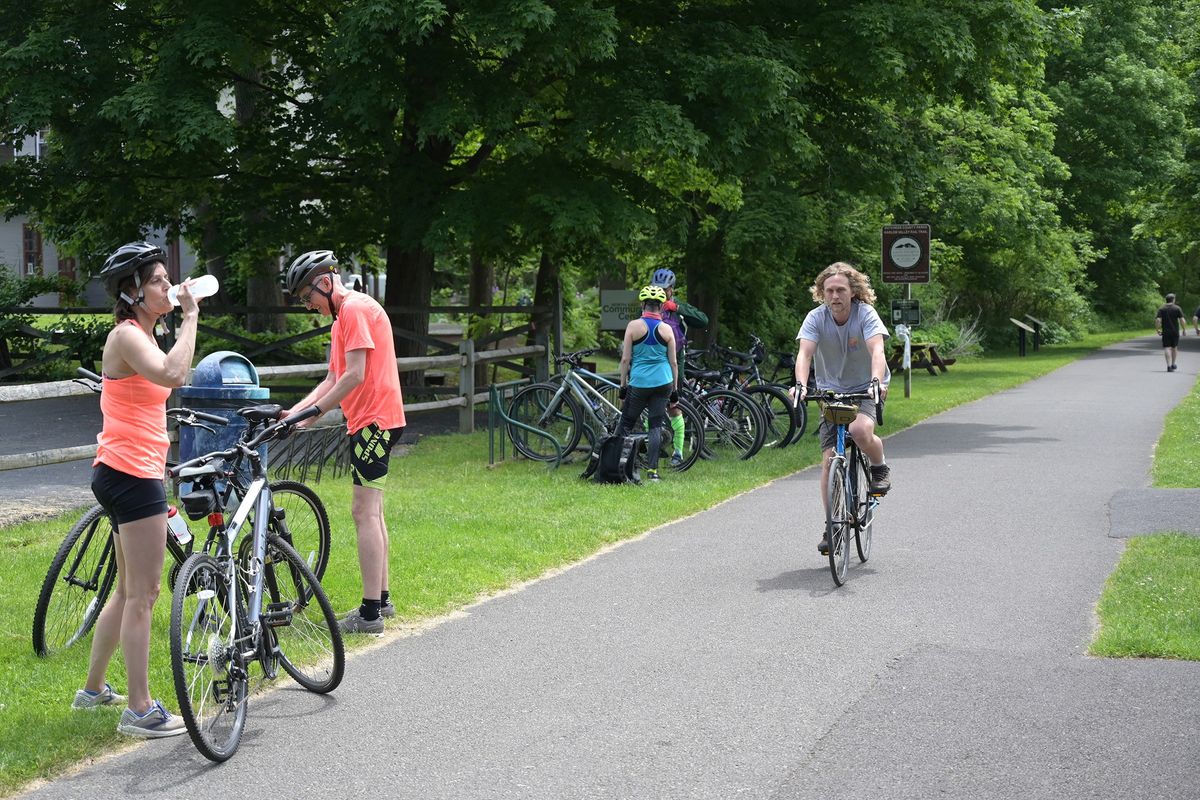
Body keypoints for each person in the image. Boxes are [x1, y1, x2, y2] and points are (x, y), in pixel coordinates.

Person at [77, 241, 202, 738]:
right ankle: (140, 709)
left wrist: (179, 318)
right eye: (156, 280)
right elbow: (175, 373)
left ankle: (92, 691)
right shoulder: (127, 336)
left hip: (122, 470)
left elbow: (165, 374)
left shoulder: (143, 335)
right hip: (132, 476)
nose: (168, 285)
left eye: (167, 277)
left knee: (128, 590)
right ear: (132, 291)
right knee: (145, 595)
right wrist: (190, 315)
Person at [283, 250, 406, 635]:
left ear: (325, 282)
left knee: (363, 512)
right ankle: (381, 601)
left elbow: (354, 376)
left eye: (308, 297)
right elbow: (333, 377)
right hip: (372, 420)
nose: (309, 306)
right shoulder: (342, 318)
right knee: (373, 512)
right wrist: (295, 414)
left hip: (374, 421)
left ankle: (369, 615)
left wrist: (313, 413)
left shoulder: (353, 309)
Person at [791, 262, 892, 556]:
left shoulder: (865, 314)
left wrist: (876, 381)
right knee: (828, 460)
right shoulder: (815, 318)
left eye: (840, 290)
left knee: (859, 430)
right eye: (829, 291)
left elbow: (877, 350)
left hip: (866, 387)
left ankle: (879, 466)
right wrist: (800, 385)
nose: (835, 296)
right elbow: (804, 354)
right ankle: (833, 524)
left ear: (853, 291)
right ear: (822, 293)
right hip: (831, 392)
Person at [616, 285, 679, 482]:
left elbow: (625, 359)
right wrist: (675, 390)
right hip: (663, 382)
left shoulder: (633, 326)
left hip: (639, 383)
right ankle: (653, 472)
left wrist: (623, 386)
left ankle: (615, 464)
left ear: (643, 304)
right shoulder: (667, 329)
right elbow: (673, 362)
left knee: (626, 424)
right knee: (655, 425)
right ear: (661, 306)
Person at [649, 269, 688, 466]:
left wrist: (678, 307)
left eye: (665, 290)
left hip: (673, 364)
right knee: (651, 408)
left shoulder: (675, 306)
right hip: (653, 363)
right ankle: (653, 450)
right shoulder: (648, 305)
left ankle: (678, 453)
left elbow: (702, 320)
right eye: (658, 289)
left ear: (672, 290)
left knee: (674, 408)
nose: (662, 293)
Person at [1156, 293, 1186, 372]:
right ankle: (1173, 364)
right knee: (1174, 347)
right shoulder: (1177, 308)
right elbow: (1182, 320)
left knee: (1167, 348)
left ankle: (1168, 366)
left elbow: (1158, 320)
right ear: (1173, 300)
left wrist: (1157, 329)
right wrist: (1184, 329)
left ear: (1166, 300)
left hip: (1166, 332)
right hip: (1175, 331)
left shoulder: (1161, 308)